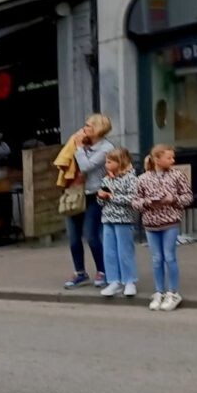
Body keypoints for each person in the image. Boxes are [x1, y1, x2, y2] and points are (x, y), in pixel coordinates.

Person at [133, 144, 192, 312]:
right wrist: (147, 203)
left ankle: (173, 292)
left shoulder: (177, 175)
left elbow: (188, 197)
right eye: (169, 157)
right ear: (157, 159)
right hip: (151, 224)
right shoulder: (142, 179)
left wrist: (173, 199)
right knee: (156, 258)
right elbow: (135, 201)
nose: (173, 160)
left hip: (170, 222)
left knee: (169, 256)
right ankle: (159, 291)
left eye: (173, 157)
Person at [64, 114, 115, 289]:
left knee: (91, 234)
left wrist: (78, 147)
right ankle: (80, 272)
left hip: (95, 194)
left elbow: (87, 166)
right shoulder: (83, 143)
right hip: (76, 193)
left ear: (98, 128)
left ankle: (103, 270)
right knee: (73, 236)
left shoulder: (106, 148)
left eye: (88, 126)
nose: (84, 128)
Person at [96, 147, 139, 299]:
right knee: (109, 252)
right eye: (106, 162)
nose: (106, 164)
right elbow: (101, 202)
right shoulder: (106, 179)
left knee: (124, 251)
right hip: (108, 219)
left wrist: (111, 197)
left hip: (124, 220)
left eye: (109, 162)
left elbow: (132, 199)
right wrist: (101, 197)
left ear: (120, 162)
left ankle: (129, 281)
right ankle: (113, 281)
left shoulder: (131, 178)